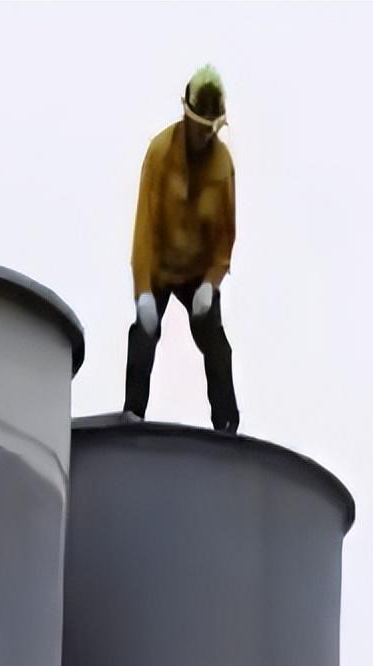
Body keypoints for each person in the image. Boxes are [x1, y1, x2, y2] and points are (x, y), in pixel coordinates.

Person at [125, 65, 239, 433]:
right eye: (201, 126)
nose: (206, 135)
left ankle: (227, 426)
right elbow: (144, 230)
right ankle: (131, 417)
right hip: (160, 267)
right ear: (187, 117)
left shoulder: (222, 164)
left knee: (216, 344)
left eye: (211, 128)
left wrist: (211, 283)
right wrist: (143, 290)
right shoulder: (160, 153)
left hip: (197, 274)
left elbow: (224, 236)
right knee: (143, 336)